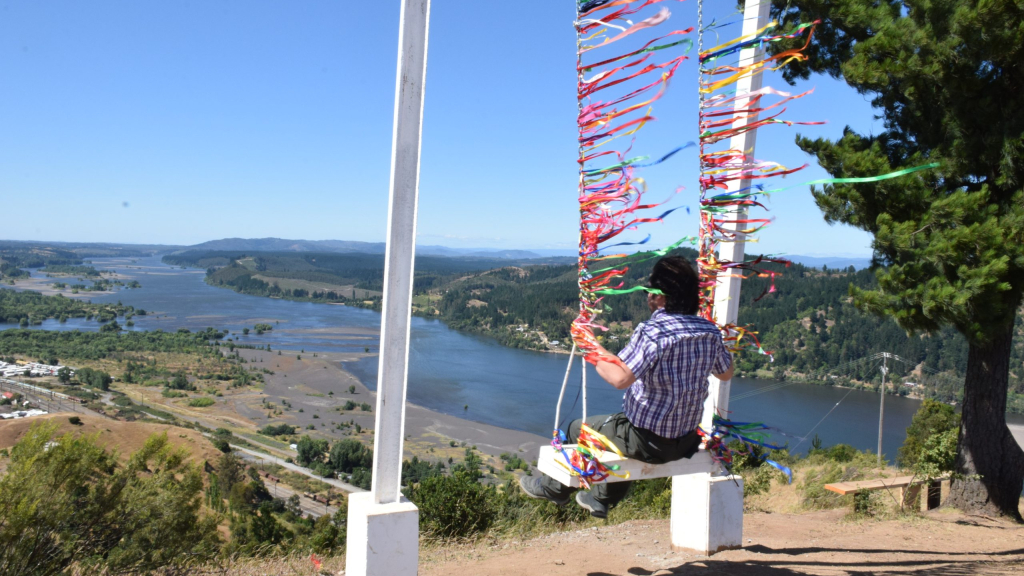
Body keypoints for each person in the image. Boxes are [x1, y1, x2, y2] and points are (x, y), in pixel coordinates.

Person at [519, 256, 733, 518]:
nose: (646, 297)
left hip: (648, 442)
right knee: (624, 430)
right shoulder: (709, 331)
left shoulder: (653, 331)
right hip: (687, 440)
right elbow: (726, 373)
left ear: (662, 296)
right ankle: (600, 499)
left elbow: (620, 378)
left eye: (648, 291)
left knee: (579, 428)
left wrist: (590, 345)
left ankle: (555, 490)